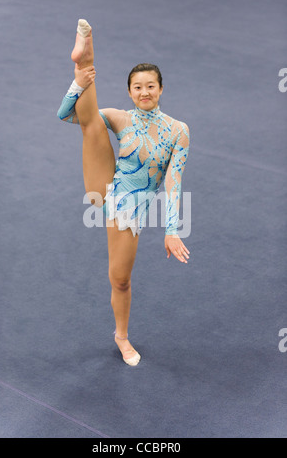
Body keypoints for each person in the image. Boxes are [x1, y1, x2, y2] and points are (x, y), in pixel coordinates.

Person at [57, 19, 190, 366]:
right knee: (91, 124)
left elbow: (174, 183)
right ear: (130, 91)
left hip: (133, 207)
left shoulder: (178, 132)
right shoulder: (121, 118)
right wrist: (78, 84)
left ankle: (120, 334)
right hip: (105, 190)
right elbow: (66, 115)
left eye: (150, 86)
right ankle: (84, 56)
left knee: (119, 280)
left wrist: (172, 229)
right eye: (137, 87)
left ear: (161, 89)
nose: (144, 92)